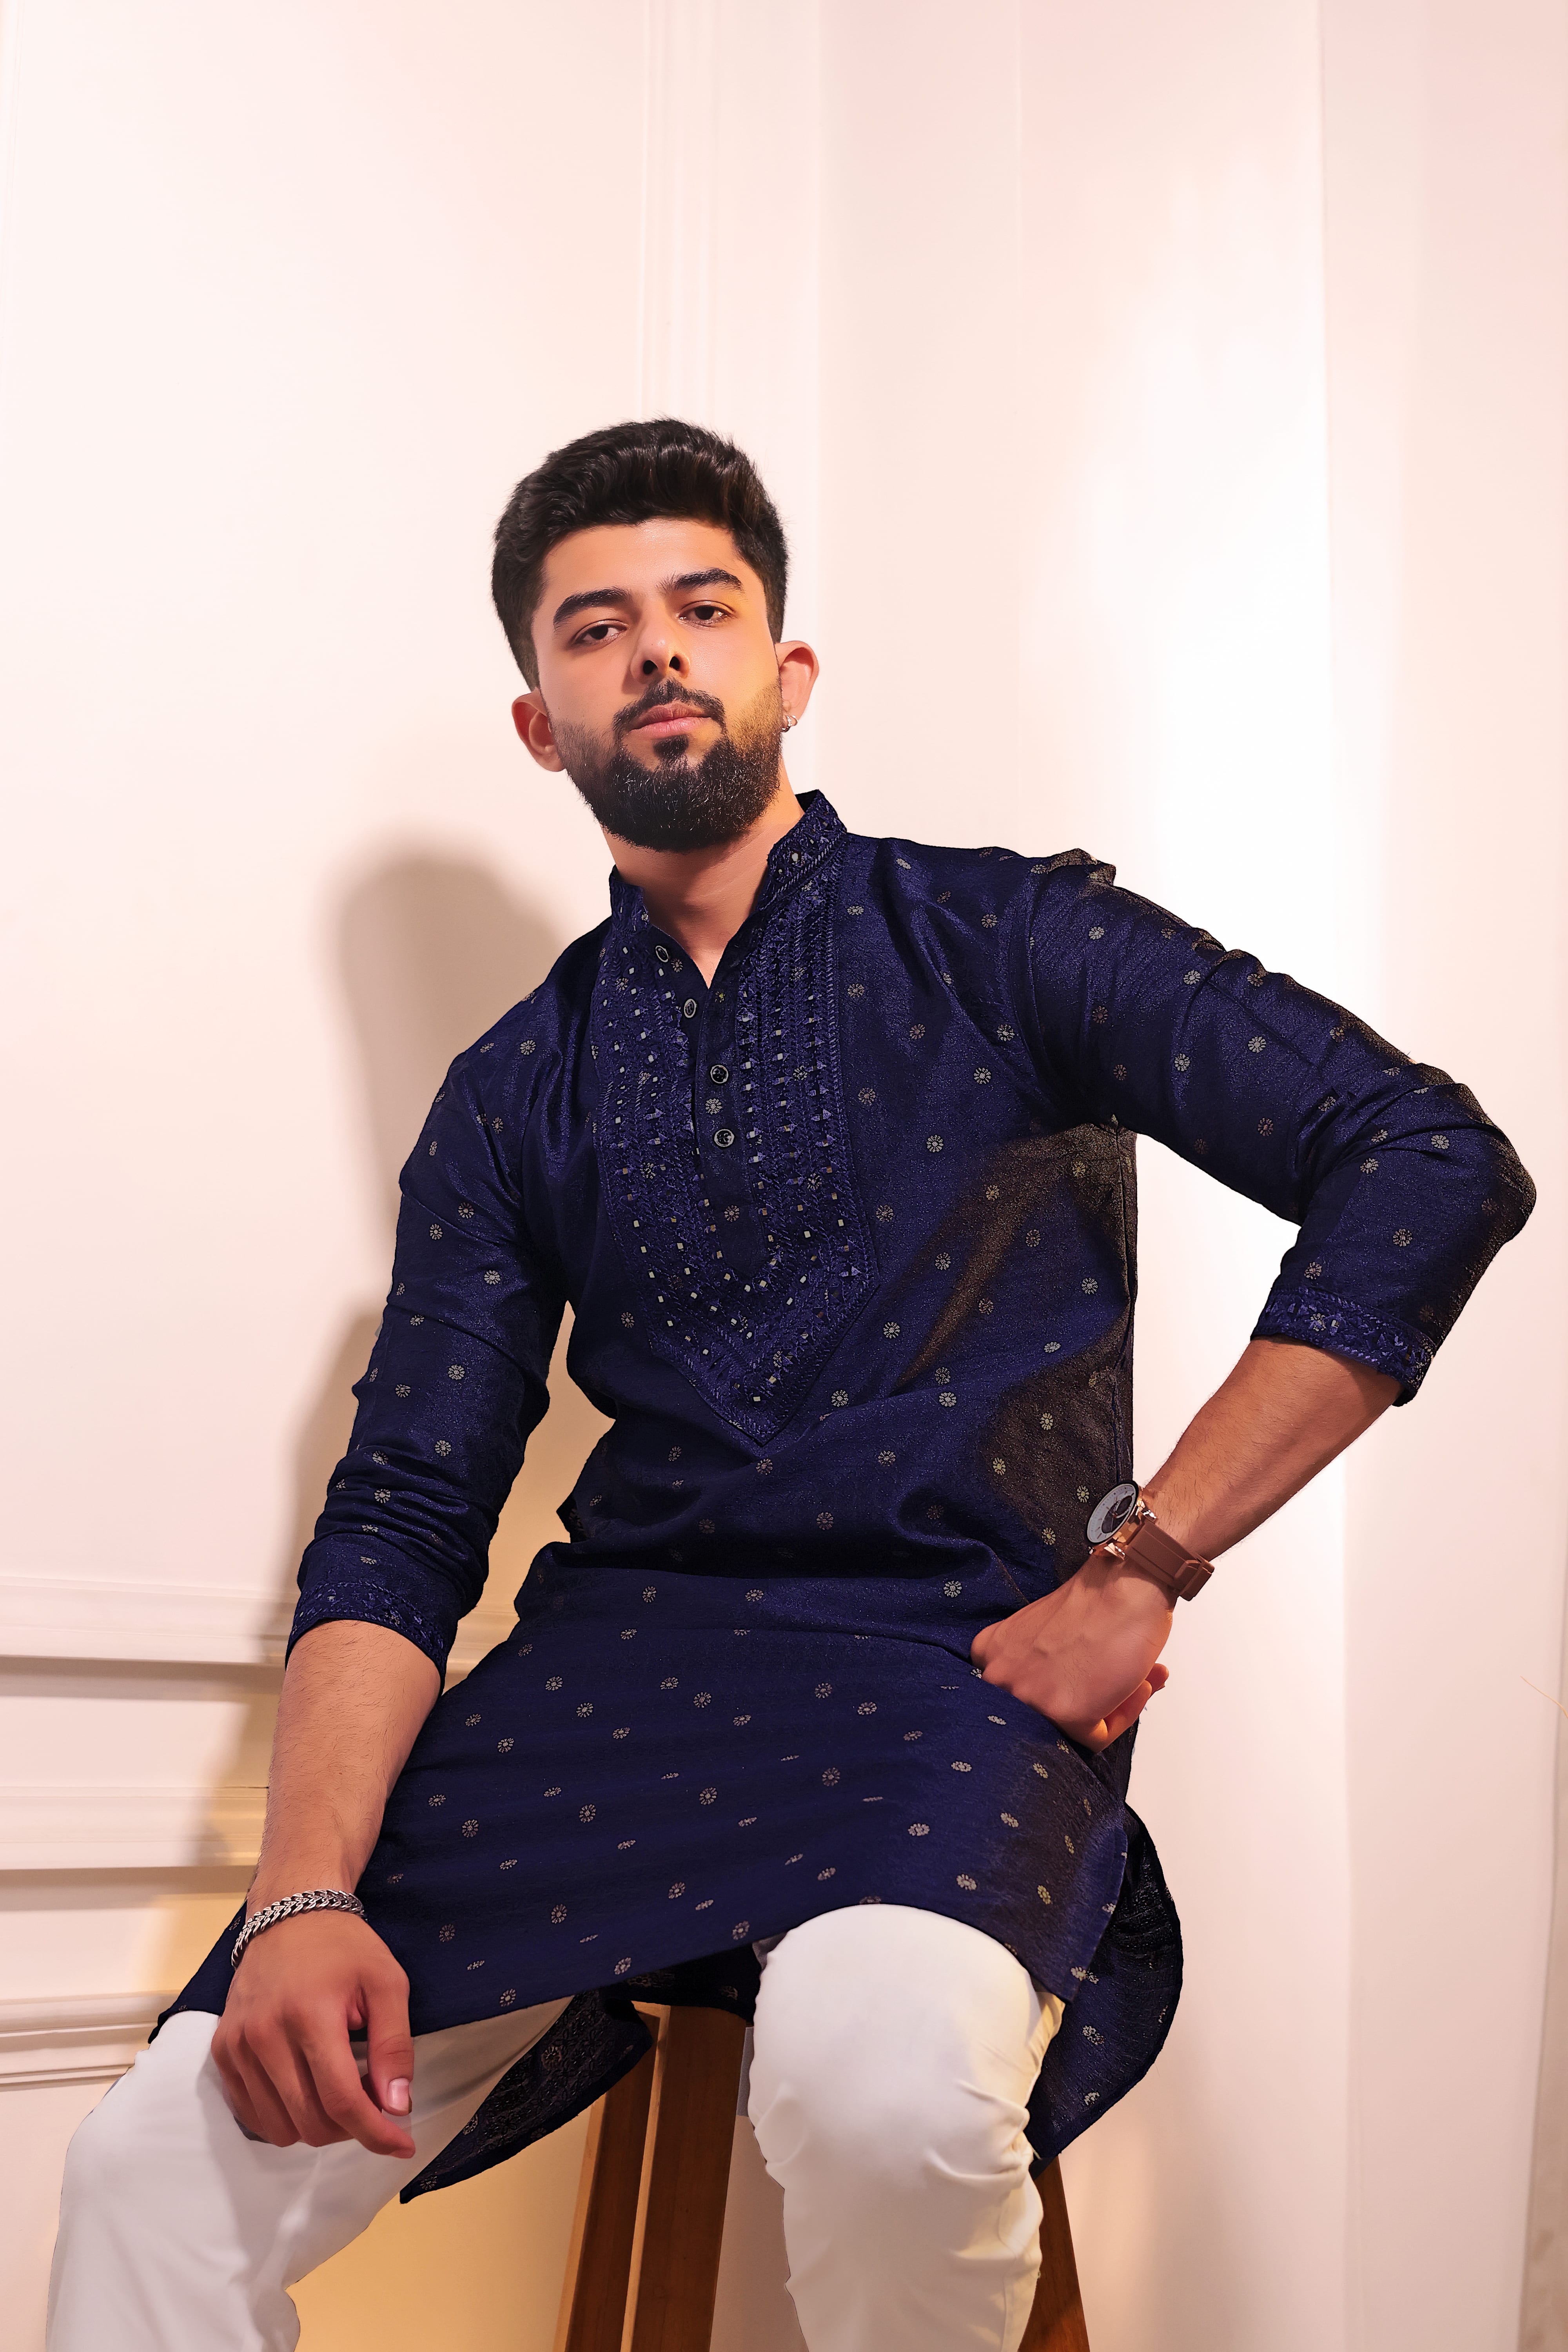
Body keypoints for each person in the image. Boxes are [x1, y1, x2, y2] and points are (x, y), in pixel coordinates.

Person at [48, 419, 1534, 2352]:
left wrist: (1145, 1562)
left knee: (883, 2093)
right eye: (596, 628)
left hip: (952, 1672)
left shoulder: (1008, 937)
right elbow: (404, 1510)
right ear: (541, 724)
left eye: (703, 606)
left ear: (788, 670)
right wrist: (302, 1896)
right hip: (609, 1689)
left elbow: (1423, 1157)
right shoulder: (511, 1091)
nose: (656, 649)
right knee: (145, 2171)